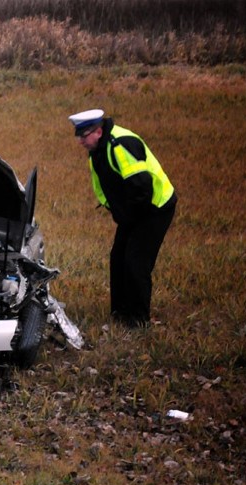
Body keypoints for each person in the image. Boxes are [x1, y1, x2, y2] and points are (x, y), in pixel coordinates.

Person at [68, 109, 177, 328]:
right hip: (132, 211)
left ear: (98, 131)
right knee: (118, 258)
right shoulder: (98, 149)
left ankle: (138, 321)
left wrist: (130, 218)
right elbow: (105, 186)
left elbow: (142, 187)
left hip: (154, 208)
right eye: (78, 136)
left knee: (136, 263)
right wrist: (118, 213)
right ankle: (119, 314)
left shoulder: (121, 144)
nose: (81, 141)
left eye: (84, 136)